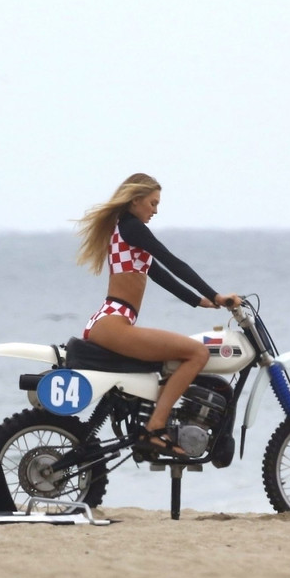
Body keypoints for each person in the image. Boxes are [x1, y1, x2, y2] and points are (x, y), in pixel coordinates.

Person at [76, 173, 242, 457]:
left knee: (174, 361)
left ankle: (158, 422)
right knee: (197, 354)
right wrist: (216, 295)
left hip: (108, 319)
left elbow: (161, 276)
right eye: (152, 203)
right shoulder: (133, 228)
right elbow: (174, 262)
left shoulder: (124, 232)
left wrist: (201, 301)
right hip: (114, 322)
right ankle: (155, 428)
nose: (155, 210)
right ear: (136, 200)